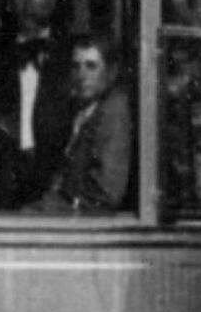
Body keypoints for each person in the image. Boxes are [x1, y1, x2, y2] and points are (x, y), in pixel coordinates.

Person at [0, 0, 76, 209]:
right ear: (10, 4)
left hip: (55, 178)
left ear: (52, 2)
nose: (24, 1)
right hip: (1, 180)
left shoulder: (72, 55)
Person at [34, 32, 134, 212]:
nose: (81, 75)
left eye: (91, 66)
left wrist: (47, 210)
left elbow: (105, 194)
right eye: (76, 66)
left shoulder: (114, 111)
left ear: (111, 71)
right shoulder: (82, 109)